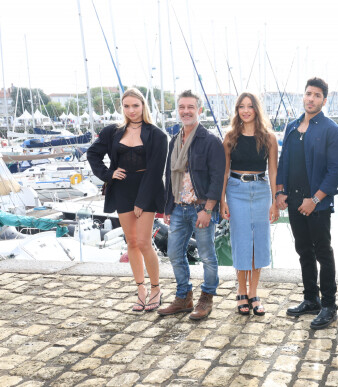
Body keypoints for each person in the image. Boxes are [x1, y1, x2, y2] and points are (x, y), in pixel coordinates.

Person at [87, 87, 168, 312]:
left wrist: (141, 202)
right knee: (131, 242)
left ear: (143, 106)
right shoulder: (113, 131)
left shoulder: (158, 135)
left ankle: (156, 289)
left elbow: (155, 171)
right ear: (122, 107)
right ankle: (140, 289)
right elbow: (92, 154)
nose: (131, 110)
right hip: (121, 189)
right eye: (126, 106)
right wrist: (107, 174)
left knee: (143, 242)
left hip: (147, 189)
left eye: (135, 105)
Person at [276, 77, 338, 330]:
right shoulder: (293, 127)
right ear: (303, 96)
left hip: (317, 203)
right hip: (294, 200)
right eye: (308, 94)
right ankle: (310, 299)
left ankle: (329, 305)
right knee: (303, 251)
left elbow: (335, 170)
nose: (311, 98)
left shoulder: (331, 130)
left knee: (322, 253)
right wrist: (279, 191)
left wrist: (315, 199)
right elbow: (284, 161)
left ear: (324, 100)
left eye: (317, 95)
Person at [157, 90, 226, 320]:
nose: (186, 111)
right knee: (175, 253)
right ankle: (183, 297)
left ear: (199, 110)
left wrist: (208, 209)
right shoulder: (175, 140)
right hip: (178, 207)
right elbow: (169, 175)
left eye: (190, 107)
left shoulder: (210, 141)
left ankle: (206, 298)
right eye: (182, 107)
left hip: (200, 208)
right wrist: (167, 207)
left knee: (207, 256)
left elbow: (217, 178)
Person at [221, 92, 279, 316]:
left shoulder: (269, 137)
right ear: (237, 111)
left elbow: (273, 171)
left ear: (256, 109)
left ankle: (254, 293)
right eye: (241, 107)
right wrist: (222, 200)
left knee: (259, 243)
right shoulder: (230, 137)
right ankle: (241, 291)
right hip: (236, 190)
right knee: (241, 241)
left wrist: (274, 201)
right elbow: (224, 171)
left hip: (261, 190)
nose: (245, 110)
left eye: (250, 106)